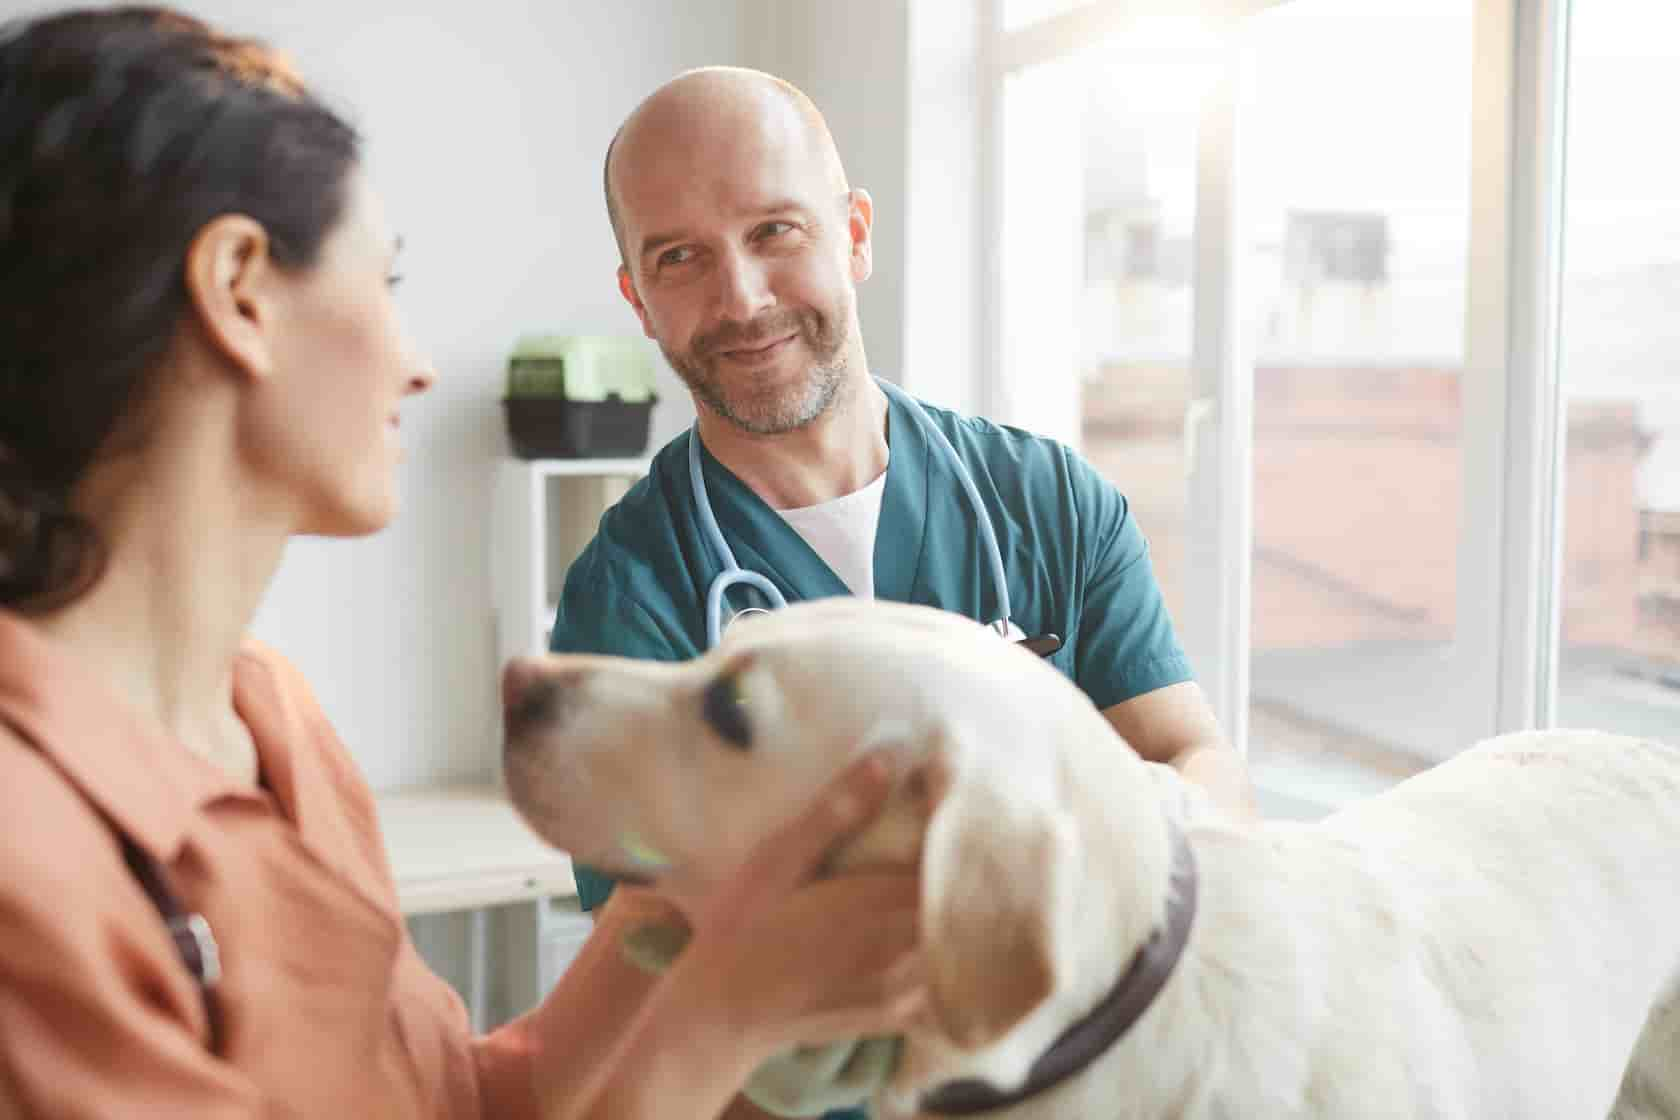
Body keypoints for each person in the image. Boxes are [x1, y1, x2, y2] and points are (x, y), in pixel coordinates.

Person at [0, 9, 924, 1117]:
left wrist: (683, 898)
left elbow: (471, 1095)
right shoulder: (30, 853)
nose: (419, 365)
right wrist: (732, 1010)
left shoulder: (272, 723)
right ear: (241, 289)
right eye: (383, 285)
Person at [551, 62, 1259, 1120]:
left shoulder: (1050, 501)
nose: (740, 298)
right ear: (638, 300)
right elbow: (652, 970)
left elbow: (1197, 766)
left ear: (856, 232)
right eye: (680, 256)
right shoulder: (630, 600)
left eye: (775, 231)